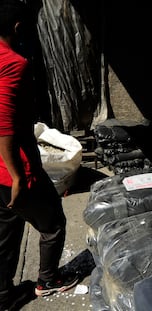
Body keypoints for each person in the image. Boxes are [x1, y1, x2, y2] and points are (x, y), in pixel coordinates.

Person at [0, 1, 79, 309]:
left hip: (0, 173)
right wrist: (19, 176)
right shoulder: (13, 63)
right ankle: (47, 281)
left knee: (7, 233)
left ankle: (4, 296)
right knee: (54, 224)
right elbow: (4, 125)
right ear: (18, 26)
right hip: (16, 171)